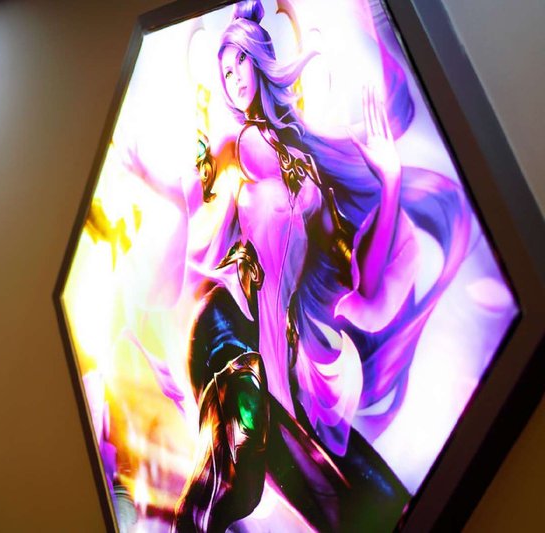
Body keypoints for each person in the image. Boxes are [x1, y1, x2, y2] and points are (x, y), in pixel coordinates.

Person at [123, 1, 470, 530]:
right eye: (225, 71)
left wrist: (391, 180)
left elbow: (364, 281)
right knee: (242, 461)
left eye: (240, 63)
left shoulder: (311, 158)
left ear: (260, 59)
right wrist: (152, 180)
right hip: (232, 331)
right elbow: (191, 191)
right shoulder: (236, 142)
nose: (234, 78)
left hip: (295, 361)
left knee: (362, 498)